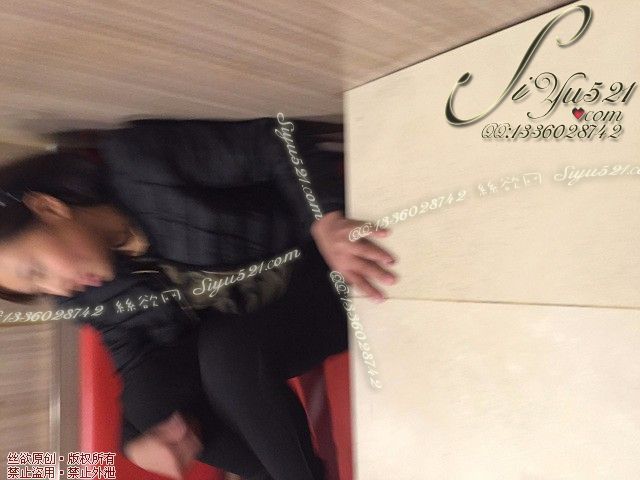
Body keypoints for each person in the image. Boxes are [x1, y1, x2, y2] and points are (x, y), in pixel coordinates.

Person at [0, 117, 397, 479]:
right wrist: (133, 444)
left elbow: (281, 140)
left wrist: (324, 218)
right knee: (150, 403)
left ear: (48, 207)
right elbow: (137, 369)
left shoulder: (141, 163)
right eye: (39, 289)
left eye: (37, 271)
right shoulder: (86, 297)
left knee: (227, 351)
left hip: (319, 273)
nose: (57, 289)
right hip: (262, 328)